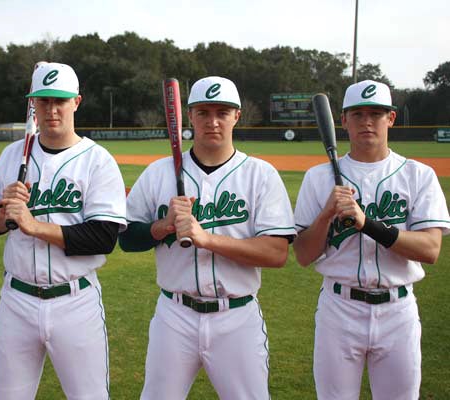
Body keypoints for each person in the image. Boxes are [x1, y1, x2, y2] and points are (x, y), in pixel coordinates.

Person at [120, 76, 296, 399]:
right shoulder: (159, 173)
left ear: (237, 116)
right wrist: (162, 227)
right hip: (174, 315)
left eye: (222, 112)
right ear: (189, 117)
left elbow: (276, 253)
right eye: (203, 112)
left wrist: (207, 239)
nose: (212, 121)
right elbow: (127, 238)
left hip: (237, 317)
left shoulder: (260, 175)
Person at [293, 80, 450, 400]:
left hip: (398, 311)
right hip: (339, 309)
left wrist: (367, 224)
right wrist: (325, 215)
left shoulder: (418, 175)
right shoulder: (318, 178)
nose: (367, 121)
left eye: (376, 114)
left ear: (391, 119)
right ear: (343, 121)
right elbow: (304, 255)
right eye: (358, 113)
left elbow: (430, 249)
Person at [0, 62, 127, 400]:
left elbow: (104, 238)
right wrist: (6, 214)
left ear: (76, 101)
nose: (51, 109)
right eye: (43, 101)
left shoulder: (97, 160)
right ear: (33, 104)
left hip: (75, 301)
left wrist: (35, 226)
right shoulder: (12, 155)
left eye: (59, 101)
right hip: (16, 300)